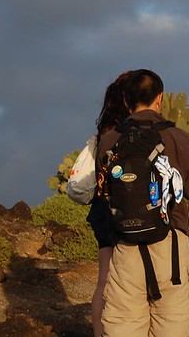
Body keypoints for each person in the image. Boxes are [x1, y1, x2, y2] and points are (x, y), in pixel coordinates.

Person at [99, 69, 189, 336]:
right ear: (160, 99)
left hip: (125, 244)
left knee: (123, 325)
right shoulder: (177, 137)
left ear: (126, 101)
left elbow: (103, 192)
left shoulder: (110, 140)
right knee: (171, 324)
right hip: (170, 244)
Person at [85, 70, 133, 337]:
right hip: (120, 206)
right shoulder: (127, 131)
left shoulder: (105, 129)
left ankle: (98, 332)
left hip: (100, 207)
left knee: (104, 277)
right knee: (124, 278)